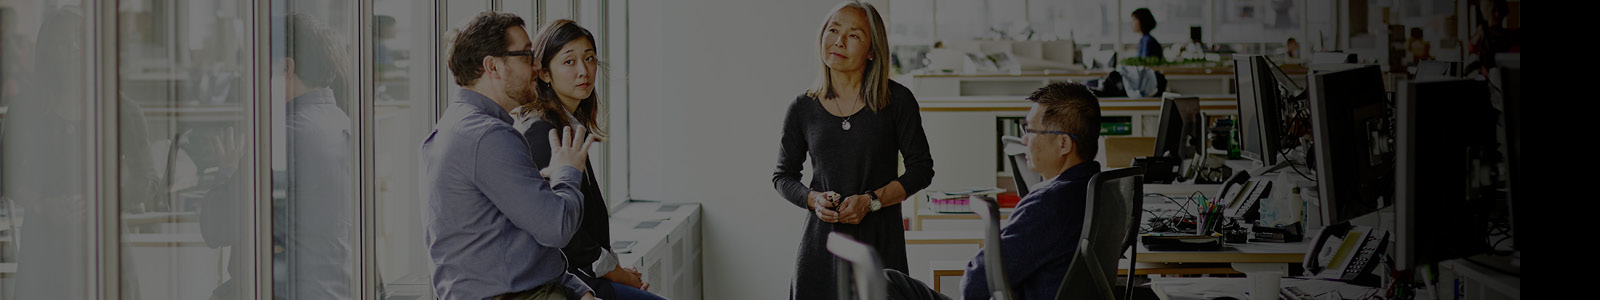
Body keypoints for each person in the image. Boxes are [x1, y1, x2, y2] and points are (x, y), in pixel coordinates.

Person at [422, 11, 597, 300]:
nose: (537, 66)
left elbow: (516, 242)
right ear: (493, 66)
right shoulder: (489, 137)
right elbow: (556, 228)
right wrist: (567, 171)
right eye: (528, 55)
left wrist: (579, 290)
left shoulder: (453, 127)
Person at [881, 82, 1104, 300]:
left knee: (886, 283)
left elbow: (974, 285)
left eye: (1031, 130)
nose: (1024, 139)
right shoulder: (1098, 189)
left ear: (1063, 144)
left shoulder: (1048, 204)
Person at [773, 1, 935, 299]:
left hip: (880, 246)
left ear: (873, 50)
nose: (839, 41)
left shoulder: (897, 101)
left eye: (854, 35)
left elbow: (921, 169)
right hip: (820, 249)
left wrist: (871, 200)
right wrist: (813, 199)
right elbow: (782, 176)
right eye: (833, 30)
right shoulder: (802, 107)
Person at [197, 12, 357, 299]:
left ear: (286, 67)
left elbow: (216, 226)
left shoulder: (283, 138)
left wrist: (228, 169)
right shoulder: (343, 123)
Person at [516, 19, 664, 300]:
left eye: (590, 58)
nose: (584, 71)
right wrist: (616, 273)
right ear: (545, 73)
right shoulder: (542, 131)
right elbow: (561, 228)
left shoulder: (568, 125)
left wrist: (616, 268)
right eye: (569, 62)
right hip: (565, 284)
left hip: (586, 277)